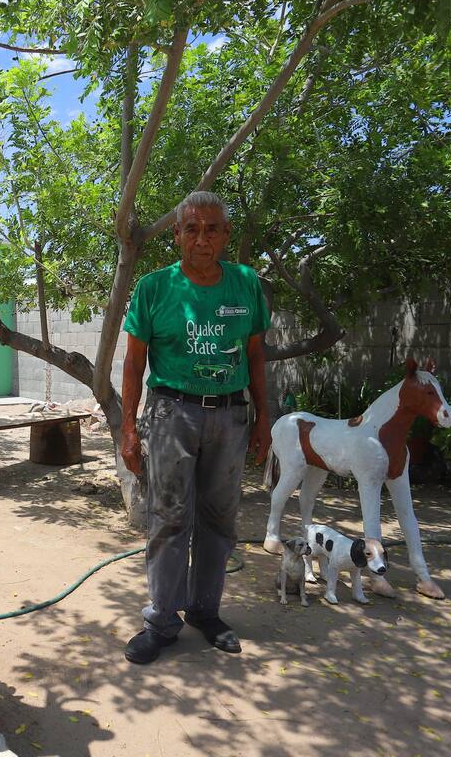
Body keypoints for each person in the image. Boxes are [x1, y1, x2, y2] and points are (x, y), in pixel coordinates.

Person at [119, 191, 271, 664]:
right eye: (191, 229)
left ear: (226, 235)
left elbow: (255, 355)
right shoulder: (153, 289)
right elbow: (133, 364)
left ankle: (206, 612)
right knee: (168, 518)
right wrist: (129, 428)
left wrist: (265, 417)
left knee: (218, 519)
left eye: (211, 229)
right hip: (172, 414)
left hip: (230, 415)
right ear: (178, 235)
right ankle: (162, 620)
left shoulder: (246, 284)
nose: (201, 238)